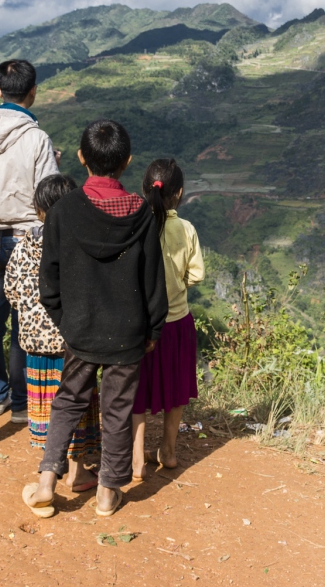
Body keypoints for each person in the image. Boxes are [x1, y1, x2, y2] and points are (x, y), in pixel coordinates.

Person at [26, 119, 168, 519]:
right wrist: (153, 327)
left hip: (80, 328)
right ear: (127, 161)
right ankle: (107, 493)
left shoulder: (63, 211)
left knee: (68, 400)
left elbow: (49, 277)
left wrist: (65, 318)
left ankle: (46, 482)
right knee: (118, 410)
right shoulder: (142, 213)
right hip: (128, 333)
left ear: (81, 158)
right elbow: (153, 278)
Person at [0, 60, 60, 422]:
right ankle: (21, 403)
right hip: (27, 238)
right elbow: (48, 198)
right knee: (23, 322)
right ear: (33, 91)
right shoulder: (37, 138)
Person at [4, 173, 99, 493]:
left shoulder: (22, 247)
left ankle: (49, 465)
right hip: (71, 343)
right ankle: (78, 471)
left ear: (38, 209)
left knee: (47, 408)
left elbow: (12, 292)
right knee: (78, 406)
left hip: (34, 344)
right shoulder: (80, 244)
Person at [131, 159, 205, 478]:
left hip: (140, 324)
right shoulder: (186, 229)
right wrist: (176, 285)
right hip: (177, 321)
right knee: (175, 390)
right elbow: (197, 275)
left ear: (145, 190)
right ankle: (169, 450)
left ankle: (135, 457)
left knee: (137, 390)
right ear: (180, 194)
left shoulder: (134, 225)